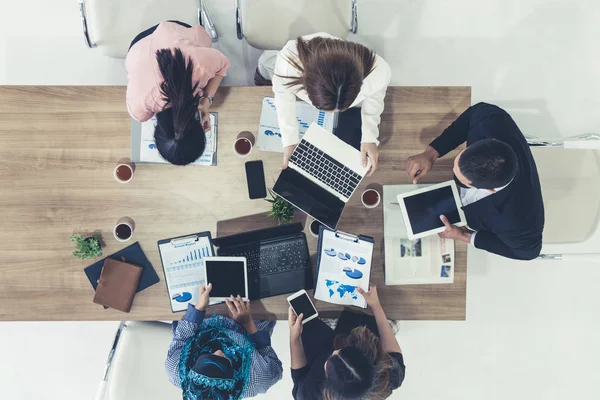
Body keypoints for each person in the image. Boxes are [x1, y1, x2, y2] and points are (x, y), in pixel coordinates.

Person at [406, 102, 545, 260]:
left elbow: (528, 253)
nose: (453, 172)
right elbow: (475, 113)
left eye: (462, 181)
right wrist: (431, 154)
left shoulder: (517, 224)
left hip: (495, 212)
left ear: (490, 190)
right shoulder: (491, 121)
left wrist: (464, 235)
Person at [256, 33, 391, 177]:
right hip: (274, 70)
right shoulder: (288, 63)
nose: (332, 114)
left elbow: (375, 96)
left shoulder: (379, 72)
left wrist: (369, 136)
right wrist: (290, 141)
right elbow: (282, 95)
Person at [126, 21, 230, 165]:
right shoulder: (138, 110)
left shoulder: (199, 65)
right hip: (138, 49)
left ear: (199, 123)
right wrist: (204, 103)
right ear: (157, 130)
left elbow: (223, 64)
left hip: (166, 32)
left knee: (204, 40)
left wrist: (207, 99)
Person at [165, 284, 283, 399]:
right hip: (249, 322)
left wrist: (199, 308)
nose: (218, 351)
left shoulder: (175, 369)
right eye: (225, 360)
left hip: (203, 317)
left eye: (207, 356)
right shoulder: (259, 379)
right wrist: (248, 324)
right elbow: (273, 363)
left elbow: (181, 338)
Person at [289, 284, 405, 399]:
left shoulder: (309, 394)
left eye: (332, 359)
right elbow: (394, 354)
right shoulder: (387, 378)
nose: (334, 351)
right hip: (359, 333)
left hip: (320, 345)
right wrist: (376, 306)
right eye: (341, 352)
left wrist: (294, 337)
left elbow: (299, 377)